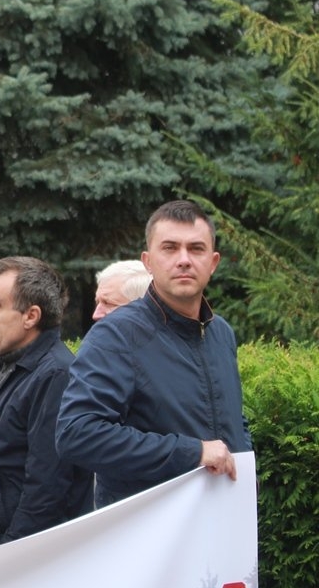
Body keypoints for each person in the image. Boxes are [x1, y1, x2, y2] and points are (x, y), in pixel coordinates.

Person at [57, 199, 252, 508]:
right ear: (148, 261)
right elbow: (77, 434)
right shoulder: (116, 335)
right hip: (150, 528)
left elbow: (233, 420)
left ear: (213, 262)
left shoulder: (221, 333)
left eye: (196, 249)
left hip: (221, 518)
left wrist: (246, 471)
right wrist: (193, 452)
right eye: (170, 248)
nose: (184, 260)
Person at [0, 257, 93, 557]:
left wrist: (8, 558)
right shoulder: (7, 364)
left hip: (2, 561)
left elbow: (47, 490)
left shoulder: (56, 376)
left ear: (31, 316)